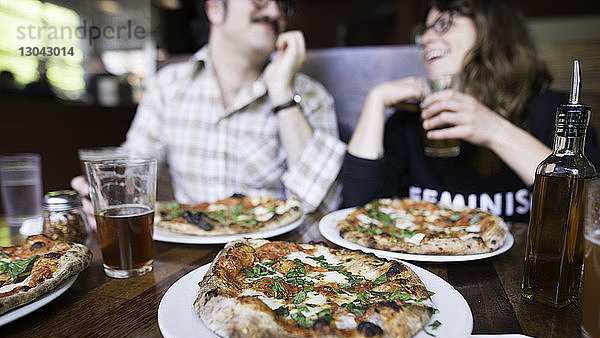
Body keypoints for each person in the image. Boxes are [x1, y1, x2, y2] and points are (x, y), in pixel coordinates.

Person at [72, 0, 346, 229]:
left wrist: (282, 93)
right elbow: (135, 173)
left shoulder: (310, 96)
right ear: (215, 8)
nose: (274, 12)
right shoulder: (168, 85)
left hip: (271, 262)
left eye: (283, 6)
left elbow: (323, 207)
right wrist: (108, 189)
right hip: (185, 250)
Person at [341, 0, 600, 223]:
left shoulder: (552, 112)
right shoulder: (409, 121)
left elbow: (588, 209)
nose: (426, 39)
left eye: (444, 24)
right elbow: (356, 211)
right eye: (425, 31)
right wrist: (376, 100)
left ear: (493, 32)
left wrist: (494, 131)